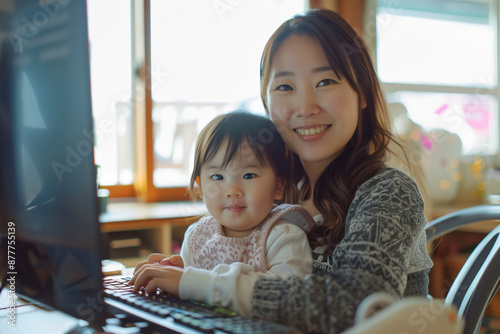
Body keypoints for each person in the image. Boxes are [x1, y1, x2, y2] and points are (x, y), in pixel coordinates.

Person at [249, 8, 434, 333]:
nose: (305, 107)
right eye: (284, 87)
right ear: (266, 102)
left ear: (361, 92)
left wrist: (216, 287)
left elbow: (358, 306)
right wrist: (189, 269)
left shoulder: (389, 191)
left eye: (325, 81)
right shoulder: (275, 192)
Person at [129, 111, 315, 315]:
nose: (232, 190)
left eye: (249, 175)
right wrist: (172, 272)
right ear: (200, 186)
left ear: (278, 184)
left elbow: (288, 297)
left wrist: (189, 280)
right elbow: (189, 290)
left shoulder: (284, 235)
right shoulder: (197, 234)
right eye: (217, 176)